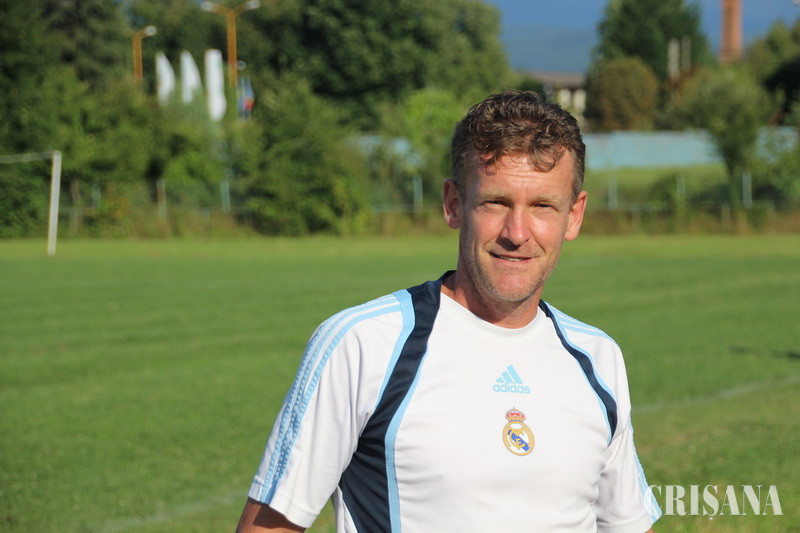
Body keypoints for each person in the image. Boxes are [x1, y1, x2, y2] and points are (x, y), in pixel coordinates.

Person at [237, 90, 662, 532]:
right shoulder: (365, 345)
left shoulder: (598, 357)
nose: (517, 233)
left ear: (573, 215)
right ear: (454, 203)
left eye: (542, 206)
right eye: (496, 202)